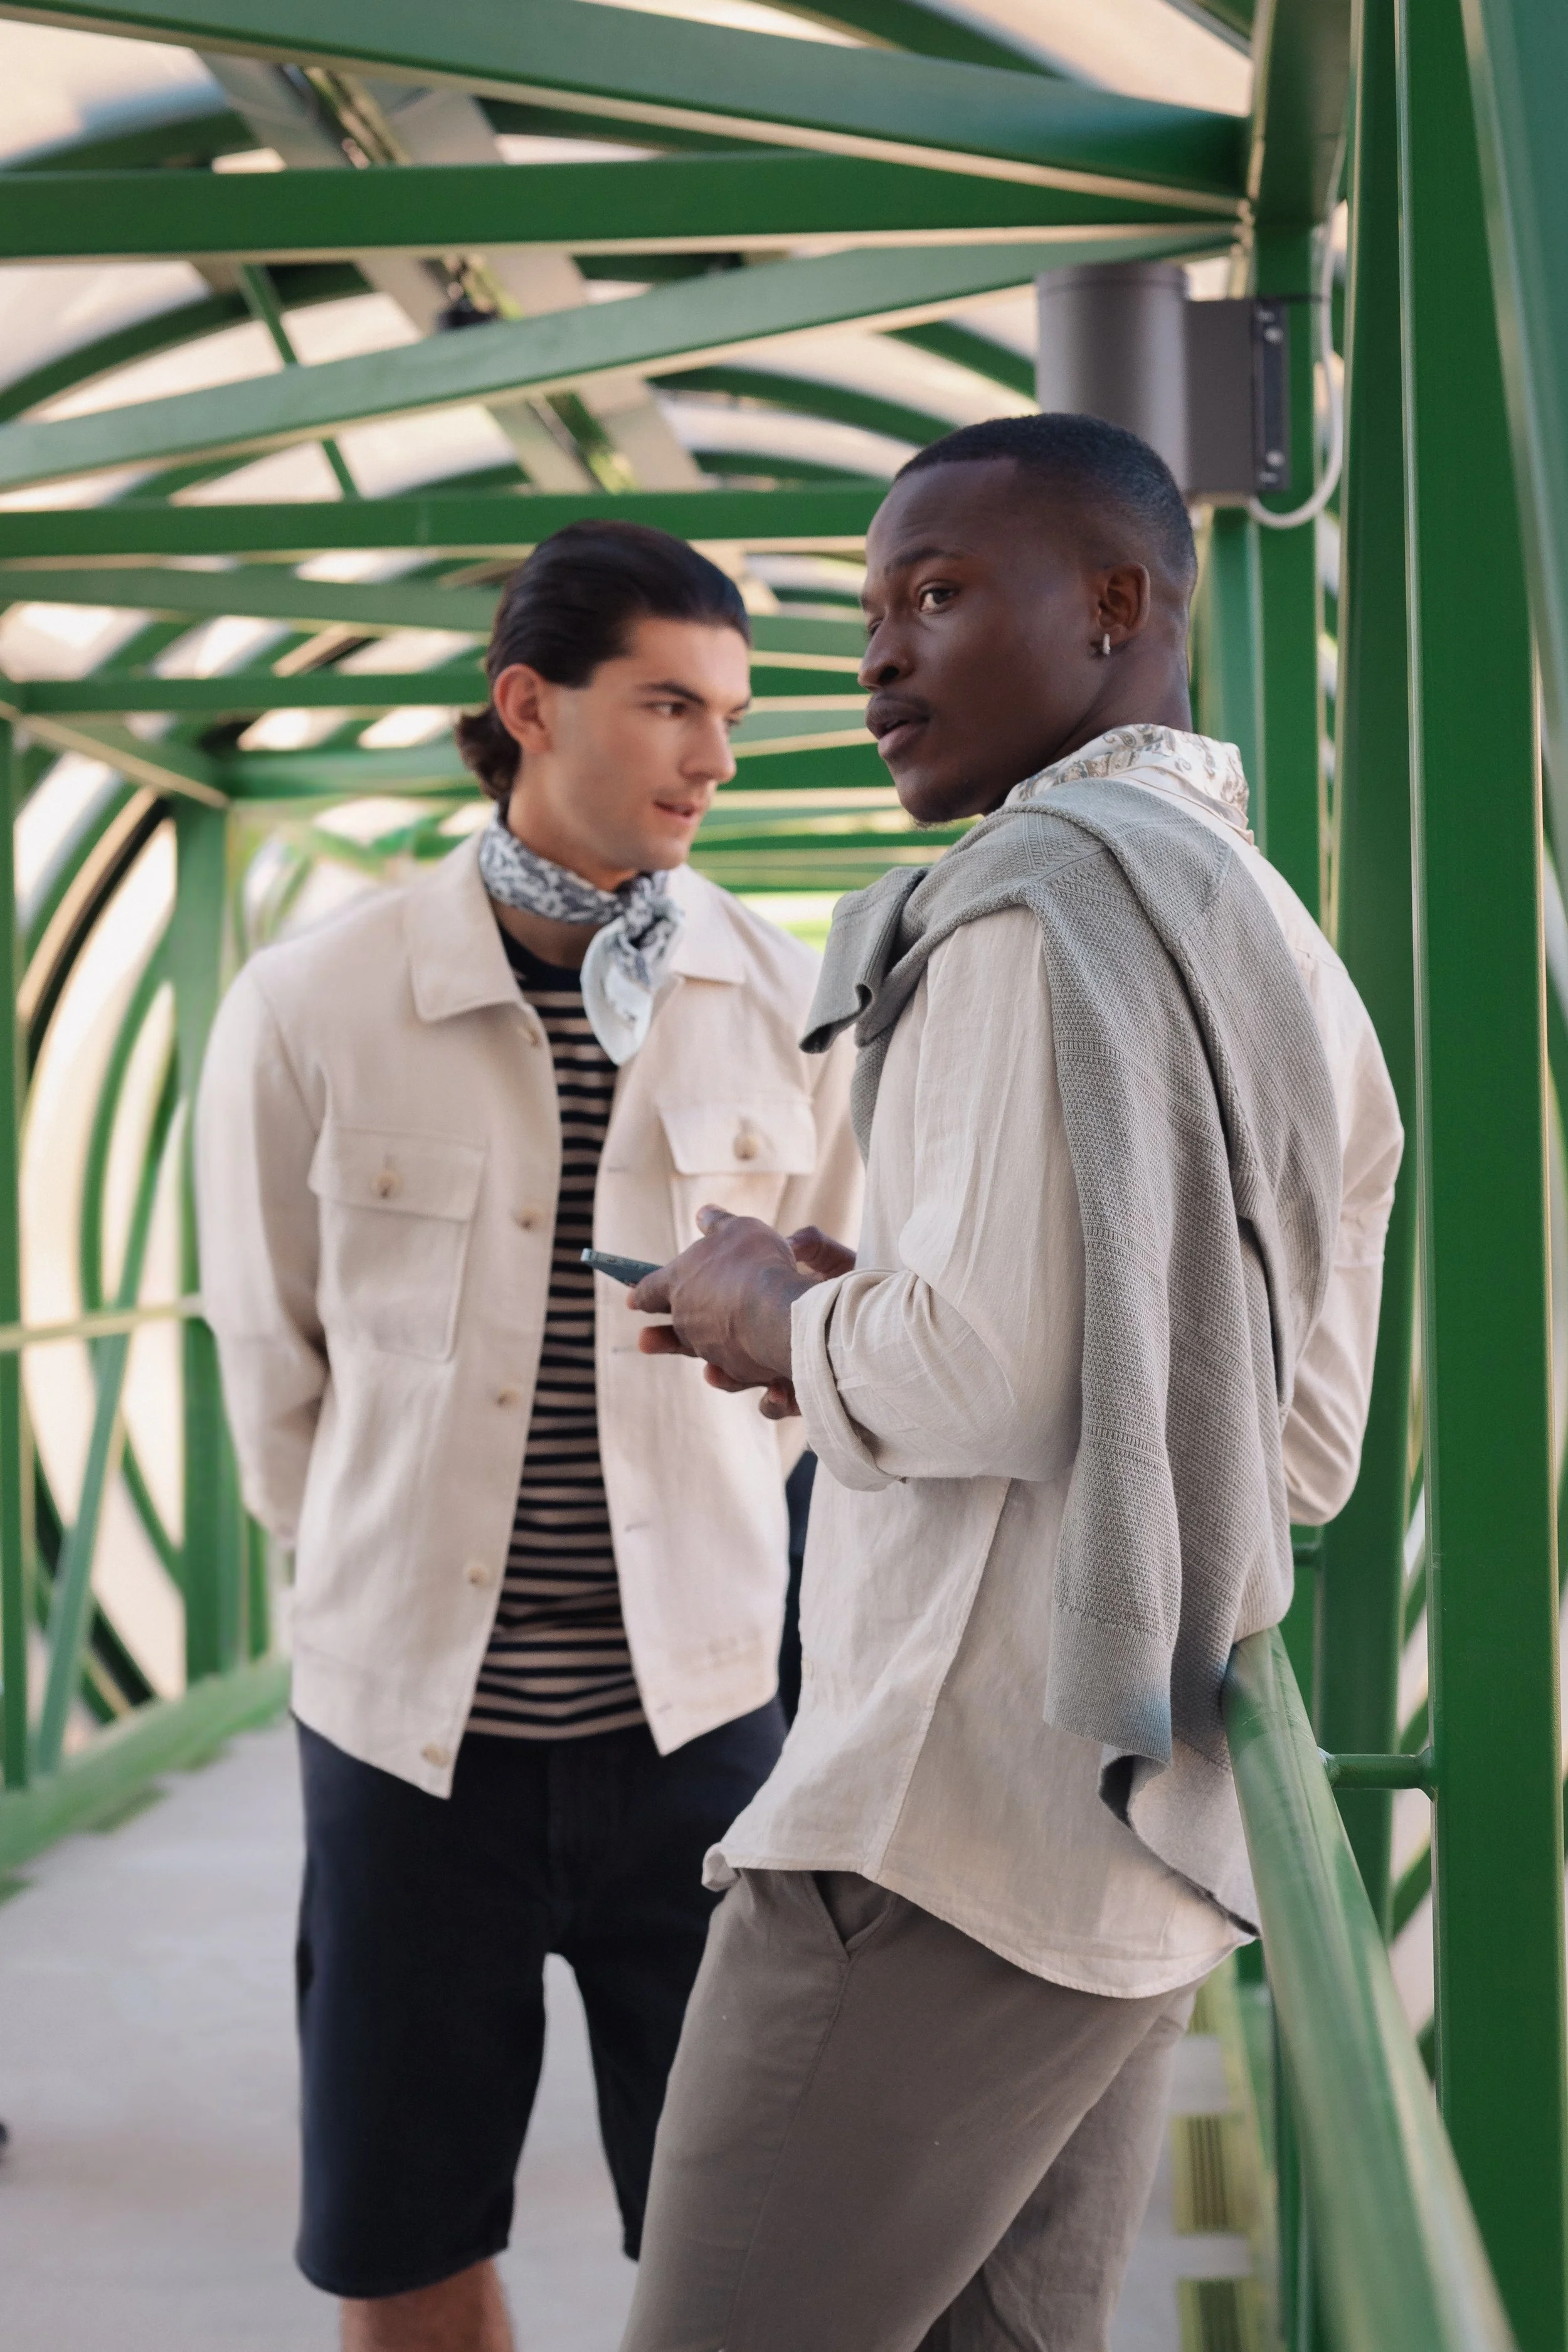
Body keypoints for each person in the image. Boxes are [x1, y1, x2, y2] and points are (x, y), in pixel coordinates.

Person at [618, 416, 1403, 2352]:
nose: (876, 656)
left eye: (938, 595)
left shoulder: (1025, 910)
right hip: (1130, 1854)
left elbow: (976, 1366)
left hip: (924, 1836)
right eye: (870, 612)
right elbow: (1285, 1447)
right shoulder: (1271, 948)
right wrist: (877, 1313)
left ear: (1117, 607)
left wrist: (762, 1314)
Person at [194, 521, 859, 2352]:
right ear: (526, 704)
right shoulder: (315, 1003)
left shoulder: (788, 1000)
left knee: (746, 2251)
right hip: (411, 1746)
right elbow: (275, 1365)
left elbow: (840, 1349)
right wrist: (381, 1591)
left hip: (705, 1732)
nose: (712, 757)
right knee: (400, 2242)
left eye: (728, 713)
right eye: (667, 704)